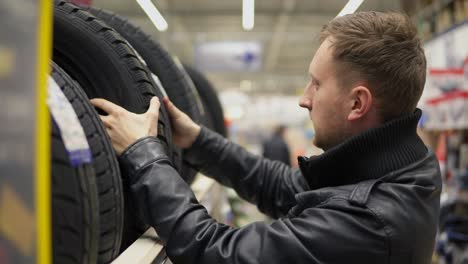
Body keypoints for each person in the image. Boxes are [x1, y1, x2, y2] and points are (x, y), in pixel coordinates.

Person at [91, 11, 441, 264]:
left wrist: (145, 156)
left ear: (357, 103)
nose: (304, 98)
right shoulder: (401, 165)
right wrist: (197, 140)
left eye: (316, 84)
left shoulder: (370, 222)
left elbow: (218, 252)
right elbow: (281, 186)